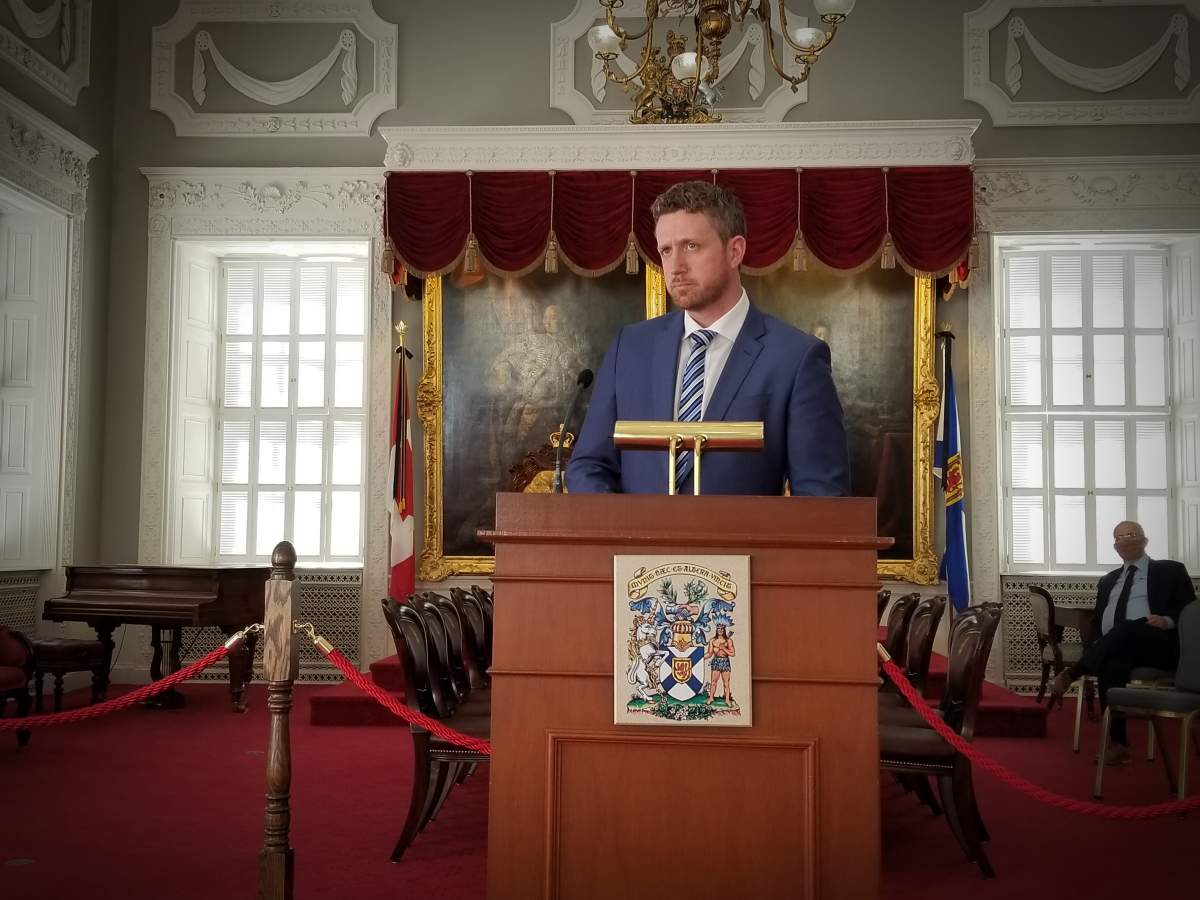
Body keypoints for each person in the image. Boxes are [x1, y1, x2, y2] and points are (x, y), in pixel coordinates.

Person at [565, 181, 849, 495]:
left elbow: (822, 499)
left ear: (735, 251)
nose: (676, 267)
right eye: (666, 250)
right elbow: (589, 466)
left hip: (745, 544)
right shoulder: (629, 348)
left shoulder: (796, 358)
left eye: (691, 246)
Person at [1048, 520, 1195, 765]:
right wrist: (1096, 644)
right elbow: (1096, 623)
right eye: (1119, 537)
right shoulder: (1108, 581)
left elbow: (1192, 611)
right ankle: (1118, 744)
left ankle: (1074, 672)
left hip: (1160, 645)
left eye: (1131, 534)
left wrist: (1168, 620)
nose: (1125, 540)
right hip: (1121, 647)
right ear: (1115, 546)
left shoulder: (1170, 571)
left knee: (1129, 626)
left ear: (1145, 540)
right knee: (1111, 663)